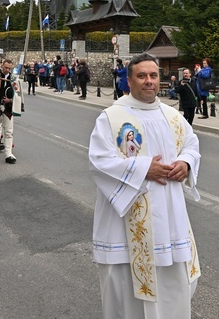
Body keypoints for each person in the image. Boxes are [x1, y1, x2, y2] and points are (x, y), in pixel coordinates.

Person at [88, 53, 201, 318]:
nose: (148, 81)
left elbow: (191, 144)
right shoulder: (111, 117)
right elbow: (99, 161)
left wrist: (185, 163)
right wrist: (142, 169)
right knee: (127, 294)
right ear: (129, 80)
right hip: (126, 221)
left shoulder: (172, 116)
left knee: (172, 282)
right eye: (141, 76)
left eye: (153, 76)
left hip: (170, 220)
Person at [0, 59, 24, 164]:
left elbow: (18, 95)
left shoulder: (13, 79)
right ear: (2, 66)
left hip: (8, 109)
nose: (7, 70)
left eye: (9, 68)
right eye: (6, 67)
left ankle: (8, 154)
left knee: (9, 132)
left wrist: (10, 100)